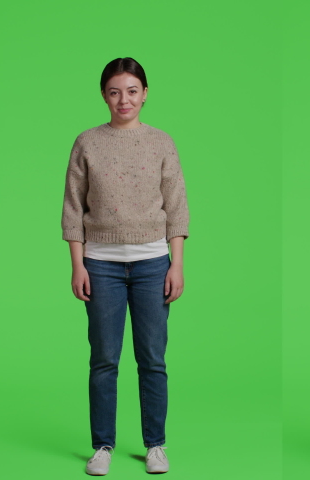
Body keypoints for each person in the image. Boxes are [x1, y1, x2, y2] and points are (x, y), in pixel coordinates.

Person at [61, 57, 189, 476]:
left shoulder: (162, 142)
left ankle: (155, 444)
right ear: (104, 95)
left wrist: (177, 263)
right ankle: (102, 445)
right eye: (115, 91)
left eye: (132, 91)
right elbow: (72, 208)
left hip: (154, 262)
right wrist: (78, 265)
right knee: (104, 358)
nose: (124, 99)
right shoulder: (87, 142)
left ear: (145, 93)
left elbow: (177, 207)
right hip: (101, 265)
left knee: (152, 358)